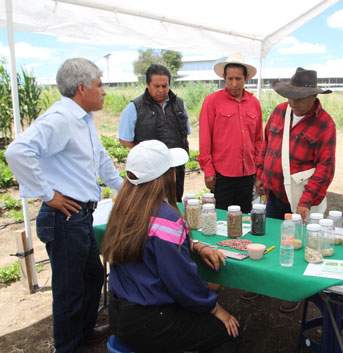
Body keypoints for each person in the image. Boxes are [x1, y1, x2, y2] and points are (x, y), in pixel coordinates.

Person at [5, 58, 123, 353]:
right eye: (99, 84)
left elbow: (101, 162)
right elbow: (17, 151)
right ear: (82, 88)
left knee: (94, 276)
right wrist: (47, 194)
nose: (104, 91)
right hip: (63, 217)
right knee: (69, 291)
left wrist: (126, 190)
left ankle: (83, 332)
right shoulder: (60, 119)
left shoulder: (83, 119)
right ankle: (68, 347)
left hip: (80, 217)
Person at [101, 140, 240, 352]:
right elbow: (182, 283)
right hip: (150, 321)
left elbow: (148, 240)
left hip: (118, 315)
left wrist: (194, 245)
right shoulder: (166, 218)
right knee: (229, 334)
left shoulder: (122, 208)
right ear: (166, 176)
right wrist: (214, 307)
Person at [255, 67, 336, 312]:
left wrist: (306, 201)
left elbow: (325, 168)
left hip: (300, 197)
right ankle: (263, 283)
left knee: (296, 245)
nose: (293, 102)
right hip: (274, 192)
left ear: (314, 97)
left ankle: (292, 292)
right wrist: (260, 174)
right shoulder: (280, 112)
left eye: (299, 98)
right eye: (290, 96)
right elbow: (266, 145)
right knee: (270, 239)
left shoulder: (325, 124)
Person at [198, 53, 263, 213]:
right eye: (230, 79)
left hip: (247, 173)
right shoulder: (212, 101)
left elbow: (258, 140)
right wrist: (209, 170)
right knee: (221, 218)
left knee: (245, 217)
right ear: (224, 77)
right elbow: (205, 139)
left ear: (246, 78)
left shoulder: (254, 103)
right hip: (222, 173)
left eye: (238, 79)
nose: (234, 84)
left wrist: (258, 171)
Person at [118, 64, 191, 202]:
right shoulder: (134, 107)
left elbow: (185, 132)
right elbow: (125, 138)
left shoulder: (179, 104)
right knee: (150, 205)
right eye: (156, 86)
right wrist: (146, 156)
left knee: (175, 202)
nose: (161, 90)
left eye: (165, 86)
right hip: (150, 172)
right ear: (147, 84)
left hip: (176, 169)